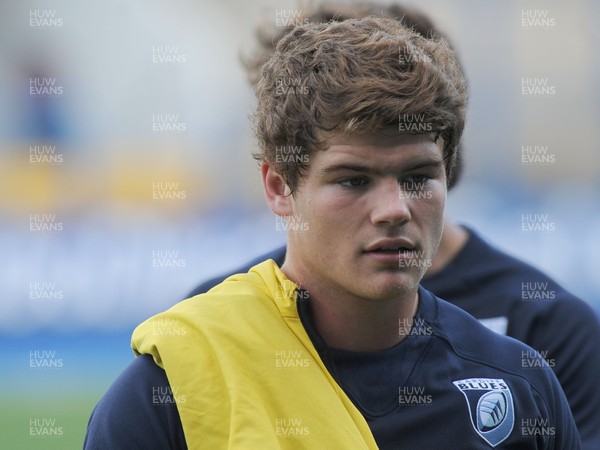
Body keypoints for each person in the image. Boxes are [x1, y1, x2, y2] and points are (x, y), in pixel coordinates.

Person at [85, 16, 581, 449]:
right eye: (353, 180)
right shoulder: (179, 384)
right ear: (280, 187)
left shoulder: (519, 385)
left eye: (418, 177)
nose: (394, 209)